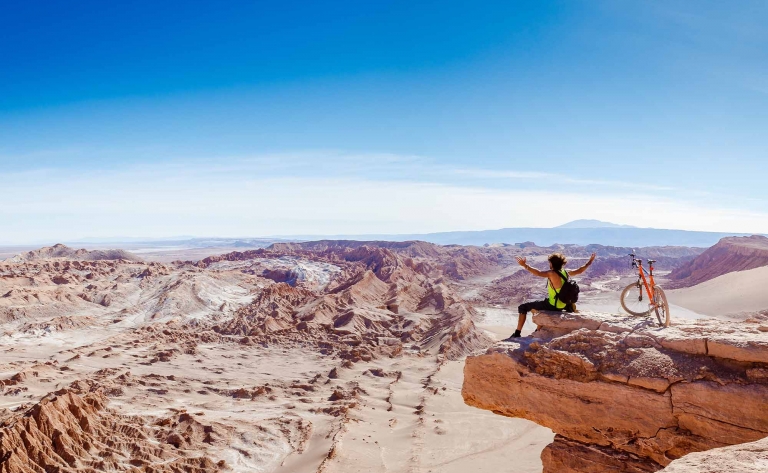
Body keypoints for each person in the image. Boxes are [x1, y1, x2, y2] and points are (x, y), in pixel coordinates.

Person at [505, 252, 596, 340]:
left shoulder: (551, 273)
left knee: (523, 307)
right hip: (564, 304)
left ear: (551, 263)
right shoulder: (566, 272)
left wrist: (525, 265)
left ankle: (517, 333)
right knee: (535, 307)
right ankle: (538, 329)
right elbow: (579, 270)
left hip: (553, 305)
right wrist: (589, 262)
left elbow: (538, 273)